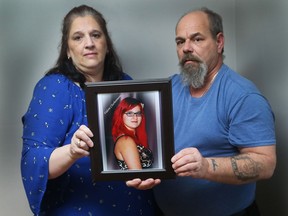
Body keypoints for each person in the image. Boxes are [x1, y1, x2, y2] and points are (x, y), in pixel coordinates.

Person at [127, 7, 276, 216]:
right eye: (180, 42)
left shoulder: (243, 96)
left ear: (219, 42)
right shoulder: (167, 88)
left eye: (197, 39)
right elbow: (151, 143)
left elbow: (265, 163)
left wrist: (206, 167)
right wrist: (145, 171)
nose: (186, 48)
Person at [20, 5, 160, 215]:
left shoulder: (126, 84)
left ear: (107, 45)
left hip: (135, 206)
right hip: (80, 208)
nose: (89, 43)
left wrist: (148, 174)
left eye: (96, 35)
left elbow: (142, 147)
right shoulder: (54, 88)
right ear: (67, 50)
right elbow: (33, 161)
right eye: (78, 37)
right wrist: (72, 152)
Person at [112, 97, 153, 170]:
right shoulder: (126, 141)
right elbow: (138, 176)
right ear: (120, 115)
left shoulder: (131, 137)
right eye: (129, 113)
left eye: (138, 113)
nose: (135, 117)